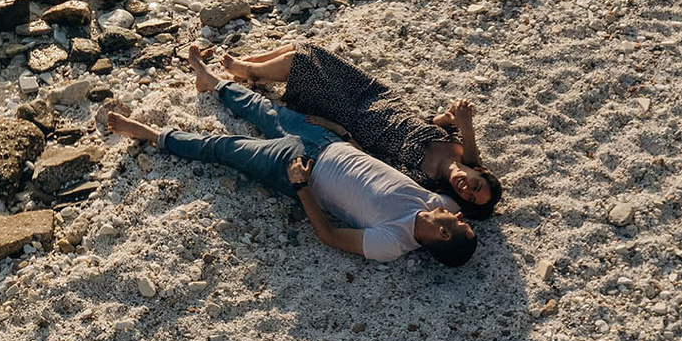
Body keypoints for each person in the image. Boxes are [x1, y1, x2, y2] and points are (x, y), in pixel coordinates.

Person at [97, 50, 477, 267]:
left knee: (224, 148)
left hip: (302, 168)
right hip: (331, 141)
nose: (459, 212)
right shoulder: (439, 202)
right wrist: (464, 128)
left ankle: (152, 135)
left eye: (459, 221)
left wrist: (300, 185)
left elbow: (327, 235)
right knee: (263, 109)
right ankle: (212, 82)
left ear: (443, 233)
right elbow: (479, 181)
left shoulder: (390, 243)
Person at [214, 42, 503, 219]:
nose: (466, 189)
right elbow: (428, 124)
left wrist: (336, 128)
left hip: (355, 120)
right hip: (380, 98)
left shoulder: (425, 183)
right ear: (480, 173)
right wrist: (451, 118)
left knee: (303, 64)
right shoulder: (461, 148)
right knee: (311, 50)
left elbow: (371, 162)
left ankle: (250, 71)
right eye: (476, 186)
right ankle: (252, 64)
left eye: (468, 198)